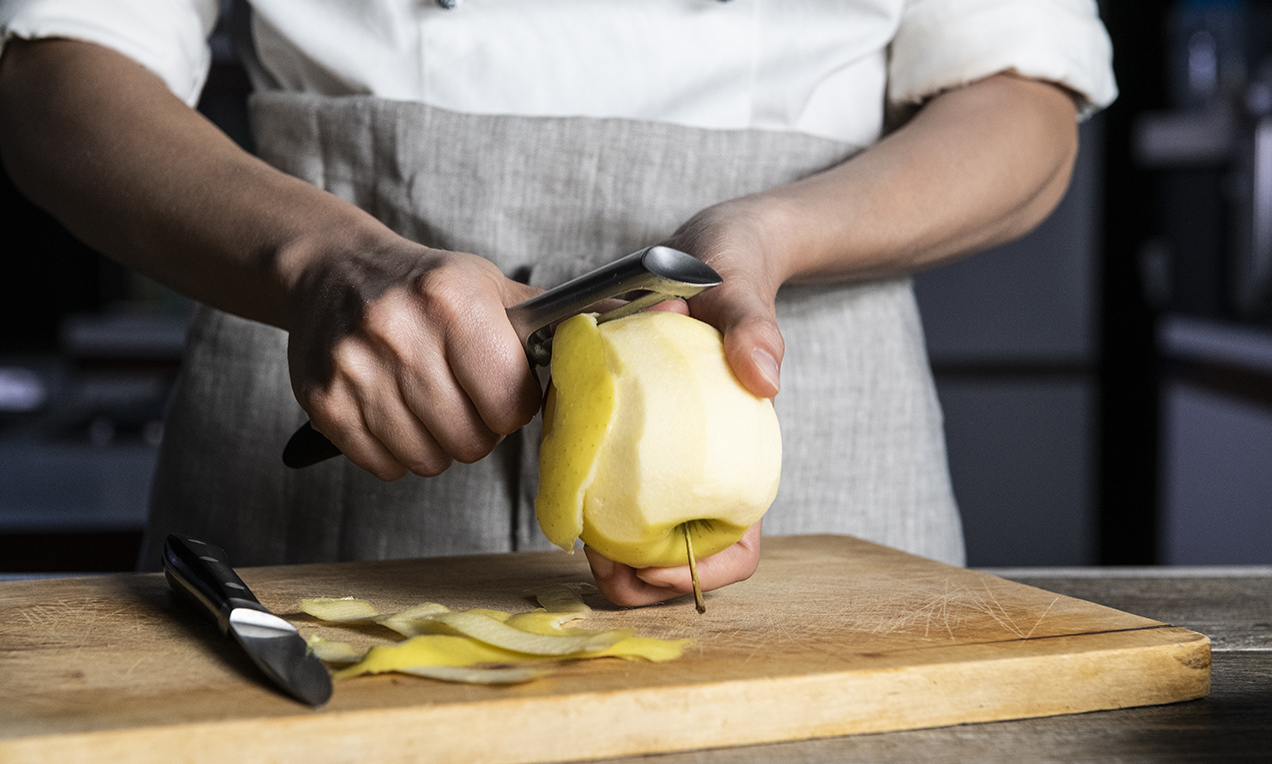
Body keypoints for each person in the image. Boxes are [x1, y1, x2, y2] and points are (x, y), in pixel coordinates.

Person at [0, 0, 1115, 607]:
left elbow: (1024, 99)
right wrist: (325, 259)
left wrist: (773, 236)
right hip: (332, 390)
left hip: (824, 436)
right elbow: (59, 72)